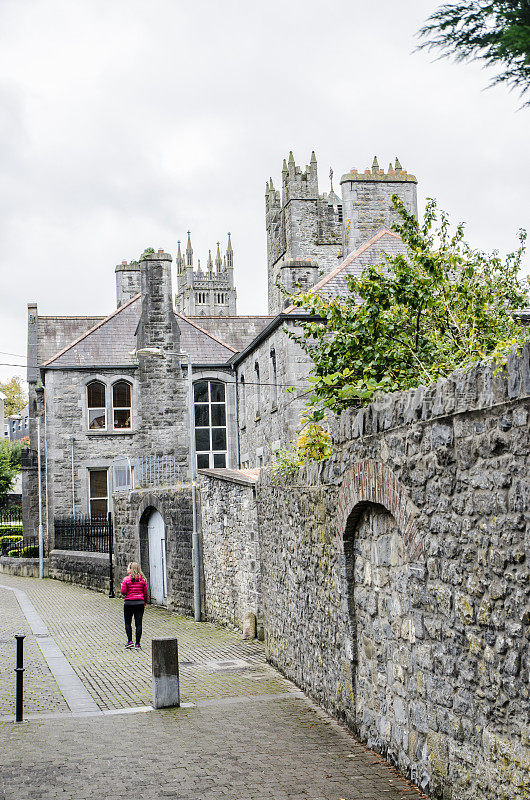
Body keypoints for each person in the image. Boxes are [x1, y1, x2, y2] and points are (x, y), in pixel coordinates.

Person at [120, 562, 148, 650]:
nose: (127, 569)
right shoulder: (143, 580)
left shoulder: (126, 580)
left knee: (128, 623)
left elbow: (123, 592)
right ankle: (138, 644)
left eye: (128, 568)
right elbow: (146, 593)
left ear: (131, 569)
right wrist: (145, 602)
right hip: (139, 603)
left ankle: (130, 641)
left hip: (129, 603)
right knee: (138, 624)